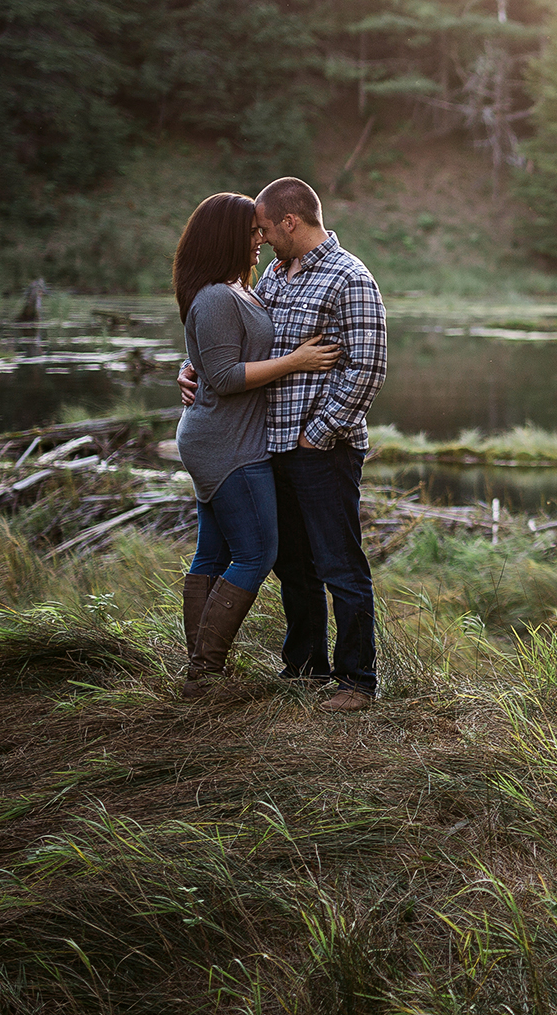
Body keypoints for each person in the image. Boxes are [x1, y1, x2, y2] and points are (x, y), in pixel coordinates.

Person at [180, 176, 388, 712]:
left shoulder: (350, 277)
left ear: (290, 222)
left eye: (267, 228)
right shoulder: (273, 277)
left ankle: (357, 682)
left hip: (323, 449)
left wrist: (316, 436)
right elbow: (240, 338)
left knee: (339, 563)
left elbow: (367, 369)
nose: (263, 238)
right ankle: (304, 672)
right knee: (292, 567)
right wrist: (193, 367)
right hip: (268, 447)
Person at [171, 193, 341, 701]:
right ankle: (205, 672)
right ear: (228, 237)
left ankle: (200, 675)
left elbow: (208, 362)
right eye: (251, 232)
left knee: (214, 551)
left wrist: (188, 369)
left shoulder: (239, 289)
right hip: (227, 443)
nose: (260, 239)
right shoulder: (219, 296)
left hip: (222, 436)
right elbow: (223, 377)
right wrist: (296, 361)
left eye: (262, 229)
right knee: (257, 551)